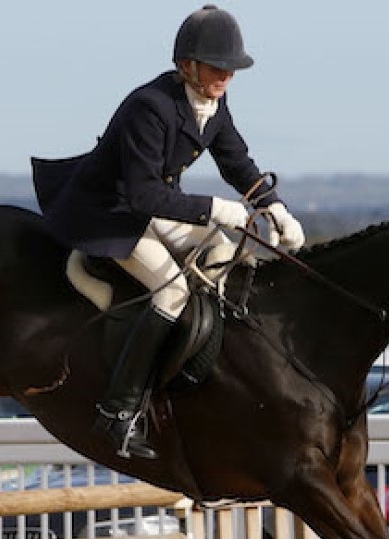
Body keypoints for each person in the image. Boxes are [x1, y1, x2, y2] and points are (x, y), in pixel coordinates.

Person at [32, 4, 305, 461]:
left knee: (227, 254)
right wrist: (214, 208)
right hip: (108, 214)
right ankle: (118, 411)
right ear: (187, 66)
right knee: (172, 291)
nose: (226, 77)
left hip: (150, 207)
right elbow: (142, 195)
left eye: (231, 70)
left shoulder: (212, 102)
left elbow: (235, 161)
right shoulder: (150, 107)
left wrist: (273, 206)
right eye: (217, 68)